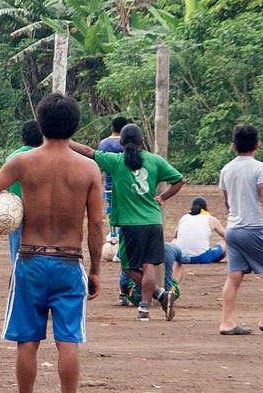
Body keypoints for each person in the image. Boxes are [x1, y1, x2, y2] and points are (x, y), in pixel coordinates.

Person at [0, 92, 105, 393]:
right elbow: (97, 224)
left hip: (29, 260)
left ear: (39, 125)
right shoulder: (88, 168)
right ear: (75, 126)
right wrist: (96, 269)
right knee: (68, 340)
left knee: (28, 341)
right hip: (70, 262)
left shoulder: (23, 163)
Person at [69, 123, 184, 322]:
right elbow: (179, 180)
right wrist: (163, 197)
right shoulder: (155, 161)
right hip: (154, 222)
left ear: (121, 143)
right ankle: (146, 309)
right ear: (142, 141)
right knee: (149, 265)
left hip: (131, 224)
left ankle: (158, 295)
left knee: (129, 267)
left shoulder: (116, 161)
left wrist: (65, 140)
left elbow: (88, 151)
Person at [216, 124, 263, 336]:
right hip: (253, 228)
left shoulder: (226, 169)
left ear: (233, 147)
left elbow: (227, 202)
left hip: (233, 229)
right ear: (257, 145)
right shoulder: (260, 168)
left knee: (234, 275)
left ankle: (226, 322)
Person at [165, 196, 226, 293]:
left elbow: (175, 235)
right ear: (206, 208)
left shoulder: (184, 218)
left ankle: (173, 287)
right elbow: (227, 237)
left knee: (174, 241)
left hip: (182, 257)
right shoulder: (211, 219)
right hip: (203, 257)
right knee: (226, 242)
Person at [4, 120, 44, 261]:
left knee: (17, 257)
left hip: (17, 214)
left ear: (22, 139)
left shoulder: (12, 158)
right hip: (42, 215)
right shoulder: (48, 157)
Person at [98, 116, 129, 243]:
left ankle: (113, 234)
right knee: (125, 213)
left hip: (110, 184)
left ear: (111, 128)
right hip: (125, 184)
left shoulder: (104, 143)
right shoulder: (128, 142)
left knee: (111, 207)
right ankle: (122, 240)